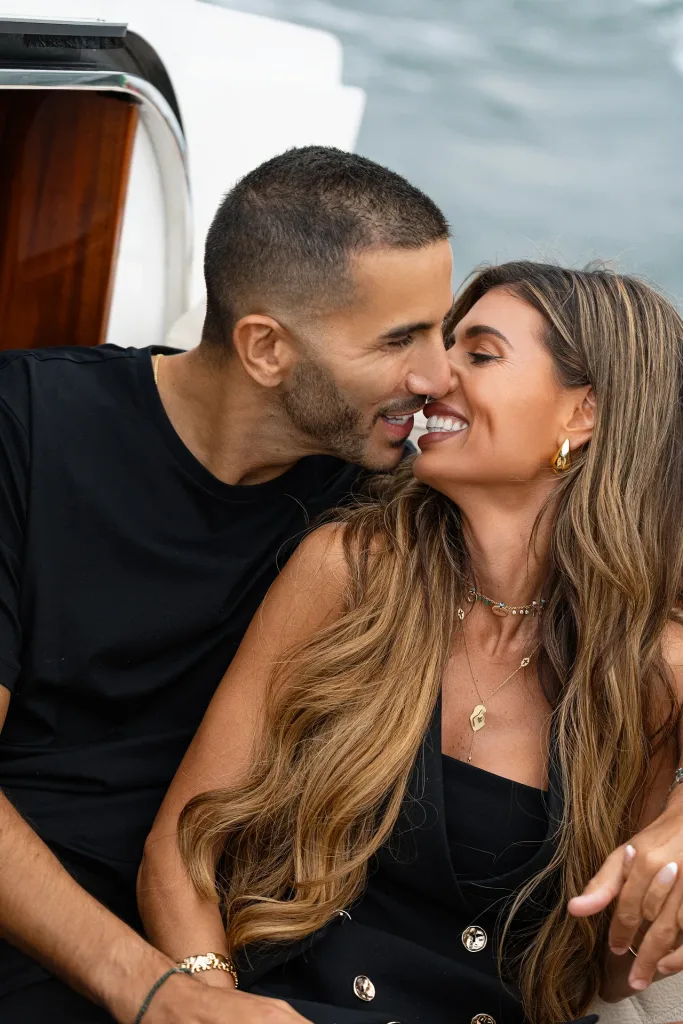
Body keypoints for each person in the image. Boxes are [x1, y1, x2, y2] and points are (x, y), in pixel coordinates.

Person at [139, 261, 683, 1024]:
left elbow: (611, 967)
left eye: (479, 354)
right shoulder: (350, 571)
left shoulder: (648, 667)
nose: (430, 379)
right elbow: (179, 849)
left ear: (582, 414)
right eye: (439, 348)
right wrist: (208, 999)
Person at [0, 146, 457, 1024]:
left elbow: (629, 604)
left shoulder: (386, 493)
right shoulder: (25, 430)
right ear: (265, 349)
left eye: (442, 328)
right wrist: (154, 994)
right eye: (400, 339)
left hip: (242, 947)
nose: (438, 376)